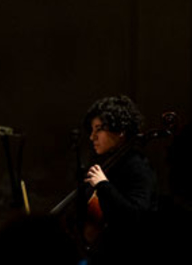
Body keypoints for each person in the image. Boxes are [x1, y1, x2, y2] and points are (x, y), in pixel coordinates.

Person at [81, 95, 156, 264]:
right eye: (92, 130)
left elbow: (136, 217)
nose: (92, 137)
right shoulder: (108, 164)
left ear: (120, 131)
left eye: (99, 129)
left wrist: (103, 185)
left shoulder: (137, 167)